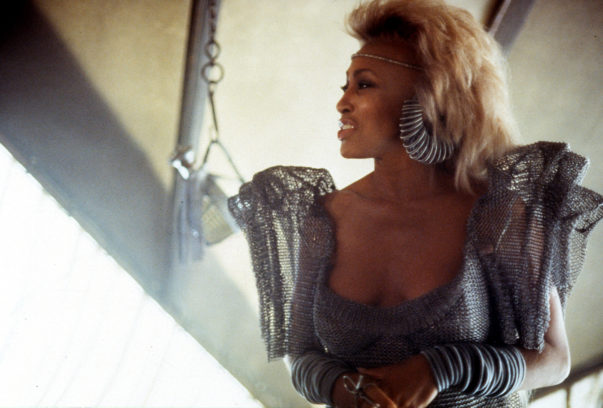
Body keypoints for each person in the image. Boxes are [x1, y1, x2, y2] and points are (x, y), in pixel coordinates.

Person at [228, 0, 603, 407]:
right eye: (345, 86)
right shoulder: (320, 218)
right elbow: (300, 353)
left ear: (429, 96)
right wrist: (342, 389)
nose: (342, 103)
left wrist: (443, 367)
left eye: (364, 85)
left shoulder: (499, 215)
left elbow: (554, 359)